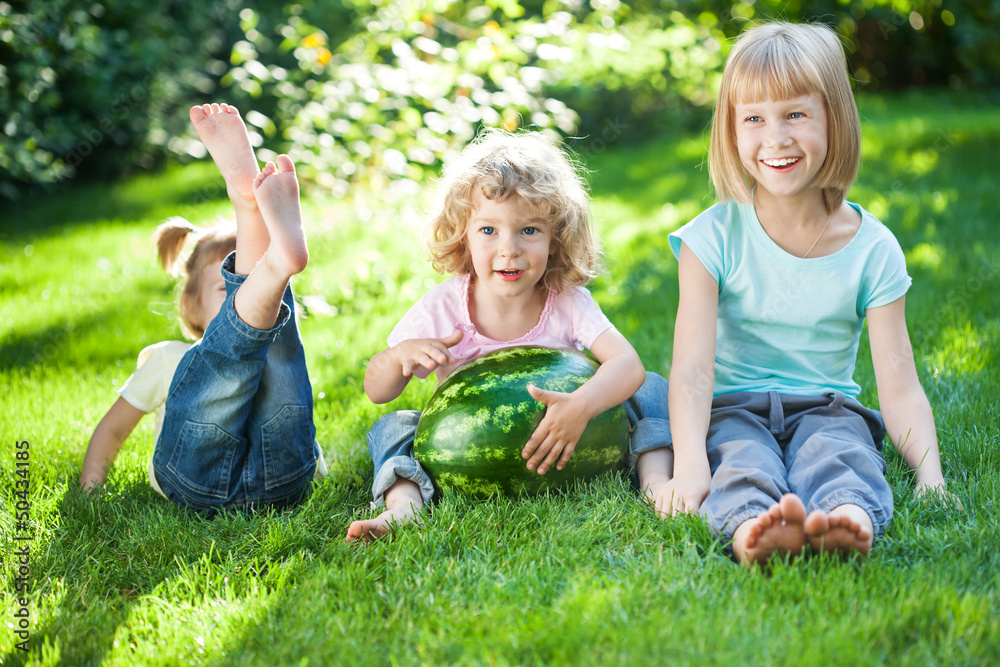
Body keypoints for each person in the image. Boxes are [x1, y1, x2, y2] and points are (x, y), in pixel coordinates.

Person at [661, 22, 950, 566]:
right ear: (732, 132)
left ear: (834, 120)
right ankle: (753, 533)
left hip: (829, 407)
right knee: (743, 463)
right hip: (735, 408)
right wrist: (691, 463)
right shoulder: (710, 239)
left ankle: (848, 523)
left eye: (795, 114)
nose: (776, 138)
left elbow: (899, 382)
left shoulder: (873, 249)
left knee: (840, 457)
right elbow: (693, 370)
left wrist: (929, 475)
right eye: (754, 119)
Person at [346, 129, 672, 543]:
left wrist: (581, 406)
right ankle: (404, 506)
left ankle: (656, 482)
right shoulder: (443, 307)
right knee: (395, 426)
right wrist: (396, 360)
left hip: (575, 438)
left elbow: (628, 365)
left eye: (529, 230)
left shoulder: (568, 302)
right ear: (462, 233)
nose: (509, 249)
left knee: (652, 390)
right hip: (468, 449)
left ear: (556, 239)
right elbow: (377, 390)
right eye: (488, 230)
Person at [81, 103, 325, 510]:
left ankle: (257, 226)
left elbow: (294, 417)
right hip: (197, 479)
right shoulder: (167, 358)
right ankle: (264, 246)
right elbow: (113, 430)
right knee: (242, 351)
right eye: (223, 290)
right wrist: (92, 490)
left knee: (272, 354)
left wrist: (314, 469)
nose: (233, 299)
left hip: (280, 480)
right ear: (191, 306)